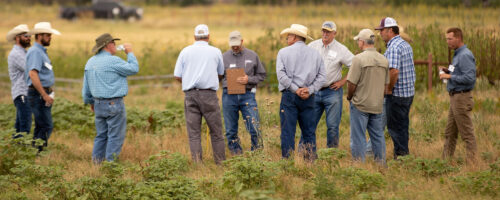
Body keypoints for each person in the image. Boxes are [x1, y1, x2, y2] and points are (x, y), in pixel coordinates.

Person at [82, 33, 139, 163]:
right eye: (113, 43)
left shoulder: (90, 62)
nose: (115, 46)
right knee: (115, 136)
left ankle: (97, 163)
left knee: (101, 135)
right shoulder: (114, 61)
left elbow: (86, 87)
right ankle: (110, 165)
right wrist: (129, 53)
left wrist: (90, 102)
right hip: (114, 103)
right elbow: (134, 69)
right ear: (108, 45)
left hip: (97, 103)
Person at [174, 24, 226, 164]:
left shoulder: (185, 51)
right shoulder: (216, 51)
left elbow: (177, 76)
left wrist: (189, 81)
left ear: (194, 37)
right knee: (216, 132)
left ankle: (198, 164)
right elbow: (221, 73)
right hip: (209, 95)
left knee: (194, 134)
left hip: (190, 94)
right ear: (208, 36)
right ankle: (220, 163)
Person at [277, 24, 326, 160]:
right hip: (308, 97)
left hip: (290, 96)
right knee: (309, 131)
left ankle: (288, 162)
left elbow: (281, 76)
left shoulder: (283, 52)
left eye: (289, 36)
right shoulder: (315, 54)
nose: (287, 38)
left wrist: (295, 89)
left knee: (288, 131)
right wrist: (309, 90)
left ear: (294, 37)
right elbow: (322, 77)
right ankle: (310, 160)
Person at [307, 21, 354, 148]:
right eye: (323, 30)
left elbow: (356, 66)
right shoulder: (312, 46)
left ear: (335, 33)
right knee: (309, 124)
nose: (325, 33)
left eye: (328, 31)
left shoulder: (341, 49)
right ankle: (306, 152)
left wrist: (343, 81)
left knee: (332, 126)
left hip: (332, 92)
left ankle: (332, 155)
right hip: (314, 90)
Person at [375, 17, 415, 159]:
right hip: (407, 93)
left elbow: (394, 71)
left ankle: (401, 157)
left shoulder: (393, 47)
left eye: (382, 31)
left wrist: (389, 88)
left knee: (395, 128)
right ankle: (404, 154)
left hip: (397, 94)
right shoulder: (404, 44)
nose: (380, 34)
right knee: (402, 125)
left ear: (390, 31)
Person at [346, 29, 389, 163]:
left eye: (358, 40)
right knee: (378, 136)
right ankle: (381, 163)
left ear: (362, 42)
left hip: (360, 104)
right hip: (376, 104)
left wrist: (349, 97)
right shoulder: (384, 59)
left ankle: (359, 165)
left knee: (358, 136)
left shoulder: (358, 59)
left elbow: (351, 83)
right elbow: (386, 86)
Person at [222, 31, 267, 155]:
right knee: (230, 130)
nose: (235, 47)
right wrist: (227, 82)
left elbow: (262, 75)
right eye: (232, 45)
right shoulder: (223, 57)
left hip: (248, 95)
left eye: (237, 44)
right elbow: (218, 77)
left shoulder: (253, 55)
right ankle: (237, 155)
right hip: (228, 96)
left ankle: (256, 154)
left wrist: (249, 80)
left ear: (242, 41)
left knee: (254, 127)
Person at [439, 27, 477, 163]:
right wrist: (447, 71)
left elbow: (470, 78)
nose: (447, 41)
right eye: (447, 39)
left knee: (467, 133)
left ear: (458, 38)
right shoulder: (457, 54)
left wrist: (449, 76)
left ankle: (473, 164)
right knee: (450, 133)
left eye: (450, 39)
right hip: (455, 98)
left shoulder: (465, 55)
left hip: (461, 97)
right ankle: (445, 162)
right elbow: (458, 72)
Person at [26, 22, 60, 152]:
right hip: (38, 94)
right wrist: (44, 94)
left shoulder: (41, 52)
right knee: (46, 125)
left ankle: (35, 153)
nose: (50, 37)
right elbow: (33, 74)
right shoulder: (36, 52)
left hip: (41, 94)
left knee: (41, 126)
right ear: (39, 36)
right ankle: (38, 153)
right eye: (48, 35)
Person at [6, 24, 32, 136]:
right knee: (25, 126)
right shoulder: (16, 54)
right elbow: (31, 69)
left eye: (29, 35)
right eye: (26, 36)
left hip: (23, 93)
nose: (29, 38)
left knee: (19, 126)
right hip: (22, 93)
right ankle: (23, 151)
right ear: (17, 38)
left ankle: (15, 151)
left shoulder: (23, 53)